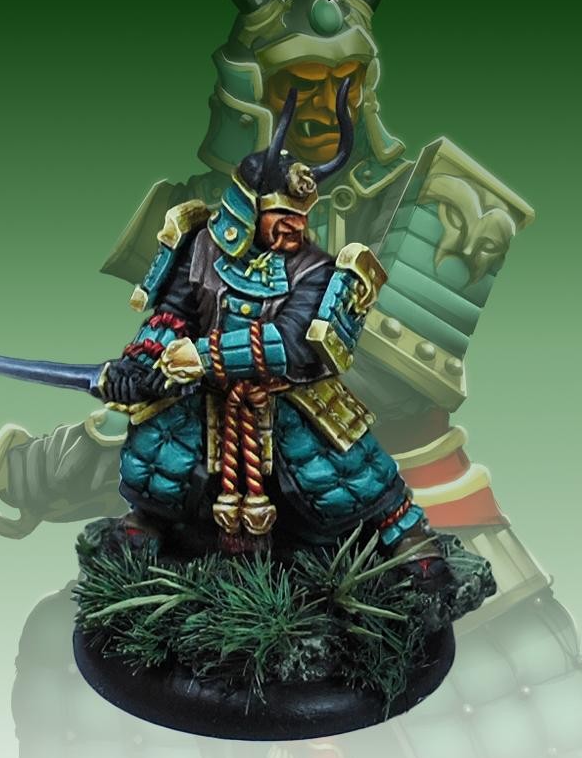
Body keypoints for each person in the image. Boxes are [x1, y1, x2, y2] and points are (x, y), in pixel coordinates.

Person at [99, 84, 448, 586]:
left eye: (300, 219)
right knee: (161, 456)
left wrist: (205, 356)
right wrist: (141, 361)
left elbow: (296, 344)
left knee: (349, 472)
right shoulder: (199, 247)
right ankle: (148, 522)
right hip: (203, 393)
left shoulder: (315, 269)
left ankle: (407, 533)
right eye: (282, 218)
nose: (294, 230)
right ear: (248, 210)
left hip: (289, 396)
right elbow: (172, 314)